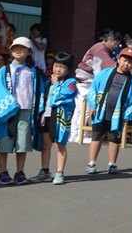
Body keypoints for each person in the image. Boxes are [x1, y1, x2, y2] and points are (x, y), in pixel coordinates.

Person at [0, 37, 46, 184]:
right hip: (7, 112)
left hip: (26, 110)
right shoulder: (4, 70)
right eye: (15, 47)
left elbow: (40, 91)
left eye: (22, 47)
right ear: (10, 51)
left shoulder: (33, 72)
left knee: (22, 143)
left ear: (29, 51)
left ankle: (19, 172)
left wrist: (39, 110)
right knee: (3, 143)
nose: (18, 50)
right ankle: (3, 172)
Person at [86, 46, 132, 174]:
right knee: (96, 137)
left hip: (118, 115)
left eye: (130, 62)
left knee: (114, 139)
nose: (126, 64)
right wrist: (92, 105)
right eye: (124, 60)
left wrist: (128, 114)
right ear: (118, 59)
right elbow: (93, 88)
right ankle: (91, 162)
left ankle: (112, 164)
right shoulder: (104, 73)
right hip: (101, 111)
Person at [29, 52, 78, 185]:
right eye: (56, 66)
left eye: (62, 67)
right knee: (46, 146)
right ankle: (45, 171)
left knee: (60, 145)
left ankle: (59, 172)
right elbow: (44, 100)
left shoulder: (71, 82)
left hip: (60, 118)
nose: (58, 69)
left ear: (68, 69)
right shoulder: (48, 82)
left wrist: (56, 84)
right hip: (47, 116)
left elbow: (60, 97)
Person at [70, 30, 123, 143]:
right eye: (116, 44)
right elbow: (110, 67)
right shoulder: (101, 49)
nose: (116, 46)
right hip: (86, 81)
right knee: (84, 109)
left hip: (85, 80)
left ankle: (76, 135)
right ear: (112, 41)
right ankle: (78, 135)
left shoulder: (101, 47)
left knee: (80, 109)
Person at [0, 1, 15, 70]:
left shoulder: (7, 29)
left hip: (2, 57)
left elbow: (10, 43)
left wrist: (11, 56)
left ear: (2, 14)